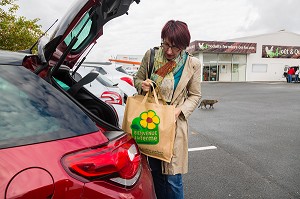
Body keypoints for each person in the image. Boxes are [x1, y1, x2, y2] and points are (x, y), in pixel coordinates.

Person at [134, 20, 201, 199]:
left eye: (175, 47)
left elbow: (195, 95)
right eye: (166, 44)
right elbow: (137, 79)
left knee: (172, 178)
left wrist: (180, 111)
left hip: (174, 126)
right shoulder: (151, 56)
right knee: (156, 173)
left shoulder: (192, 64)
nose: (169, 51)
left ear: (184, 46)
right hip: (152, 124)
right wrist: (143, 85)